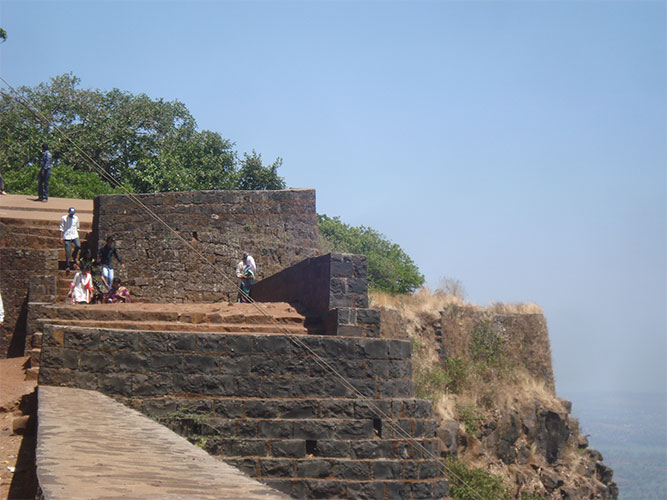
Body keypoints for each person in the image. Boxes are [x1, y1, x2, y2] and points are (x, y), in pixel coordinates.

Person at [60, 207, 80, 272]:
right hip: (67, 236)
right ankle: (67, 265)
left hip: (74, 235)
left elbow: (77, 227)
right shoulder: (64, 218)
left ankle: (74, 255)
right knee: (68, 251)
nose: (71, 215)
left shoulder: (76, 218)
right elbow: (61, 228)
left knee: (78, 245)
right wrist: (61, 237)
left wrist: (77, 235)